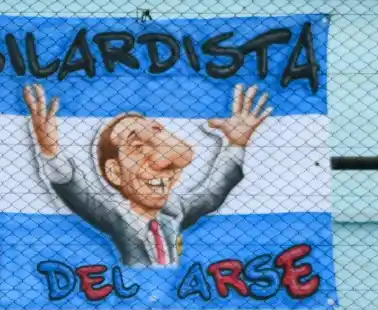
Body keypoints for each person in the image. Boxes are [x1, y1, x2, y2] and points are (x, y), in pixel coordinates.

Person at [23, 82, 271, 268]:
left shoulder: (174, 212)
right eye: (138, 147)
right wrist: (50, 150)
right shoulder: (117, 217)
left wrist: (236, 143)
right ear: (115, 172)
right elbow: (77, 193)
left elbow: (212, 193)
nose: (160, 163)